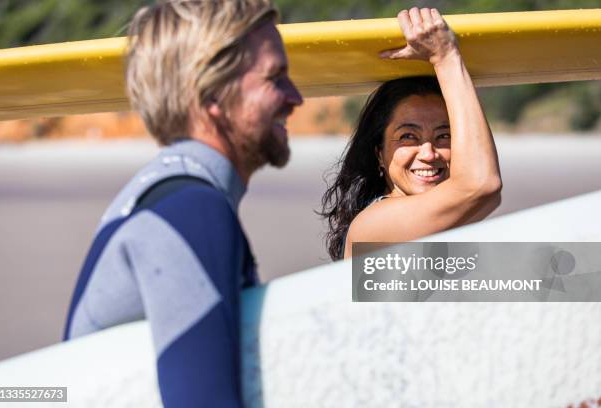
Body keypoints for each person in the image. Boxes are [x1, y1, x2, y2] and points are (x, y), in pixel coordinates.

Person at [63, 0, 302, 407]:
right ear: (213, 95)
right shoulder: (192, 211)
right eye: (275, 78)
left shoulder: (163, 194)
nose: (295, 97)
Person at [321, 7, 502, 260]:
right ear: (379, 155)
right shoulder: (373, 226)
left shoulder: (458, 219)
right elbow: (482, 184)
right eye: (408, 136)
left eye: (444, 136)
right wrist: (446, 56)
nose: (429, 153)